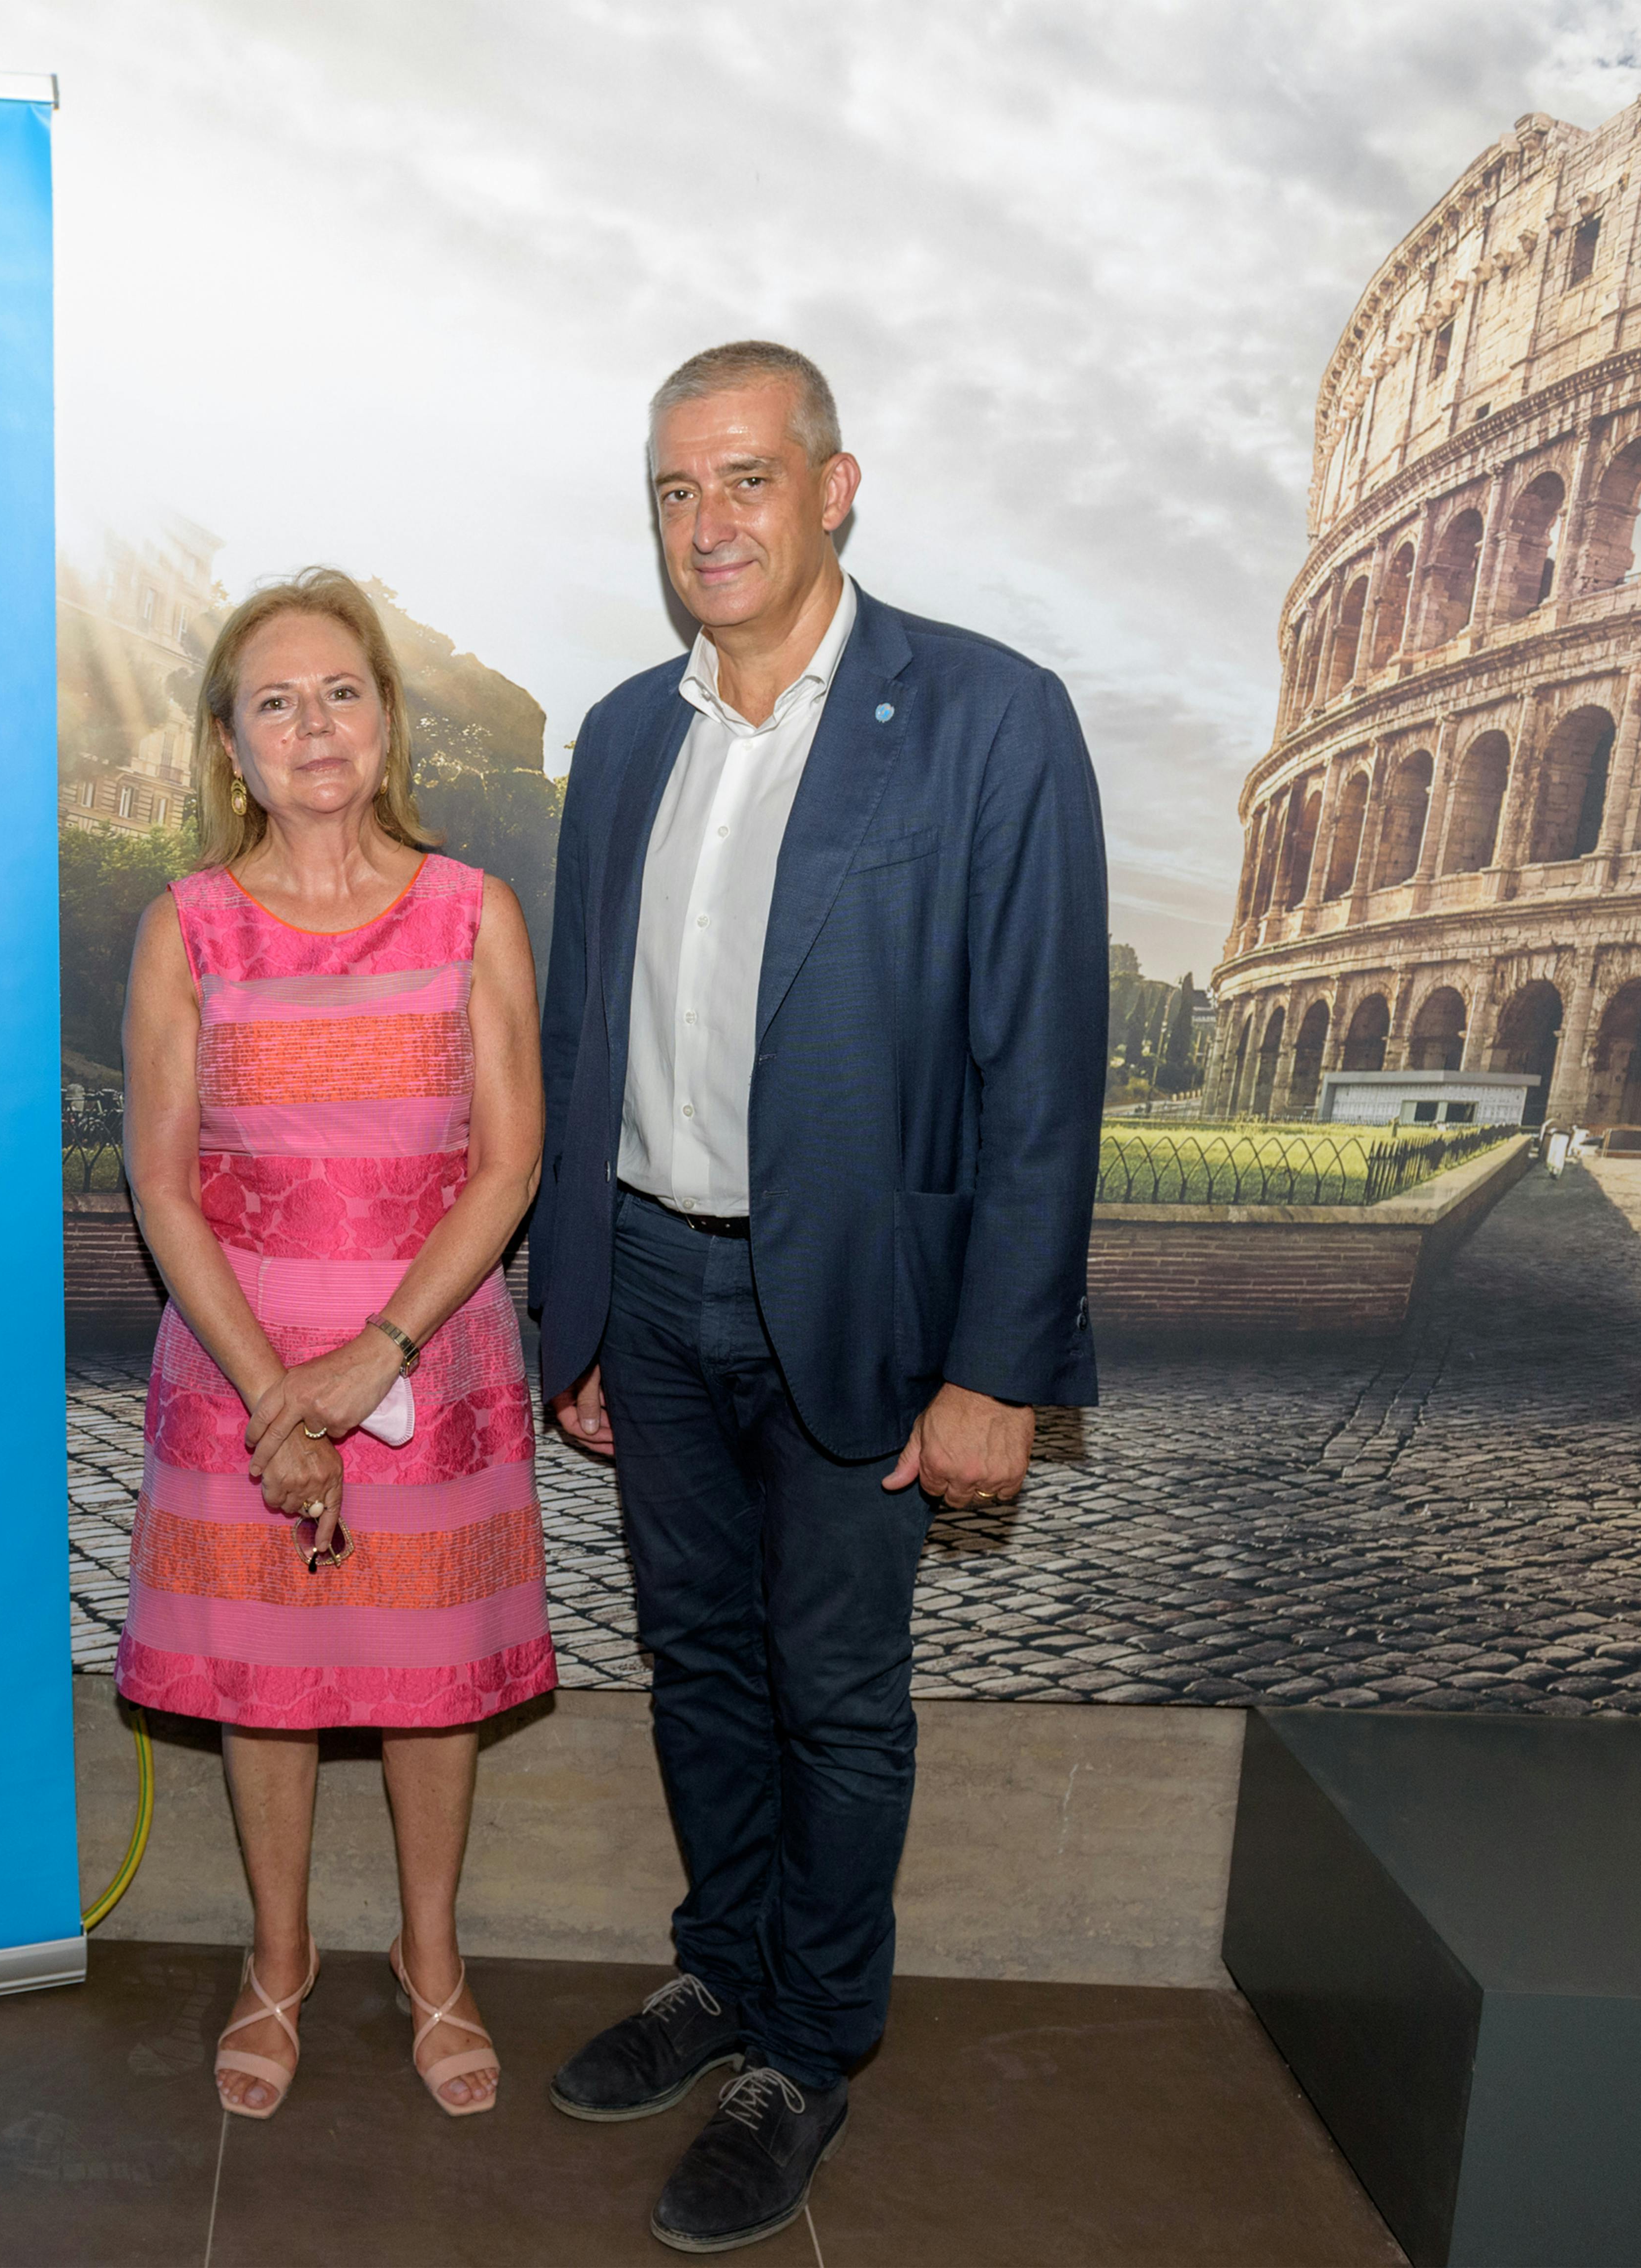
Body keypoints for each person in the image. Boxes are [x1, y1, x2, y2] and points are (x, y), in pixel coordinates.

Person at [533, 345, 1105, 2254]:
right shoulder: (621, 735)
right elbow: (577, 1029)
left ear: (832, 486)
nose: (708, 522)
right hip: (656, 1290)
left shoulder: (984, 717)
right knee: (700, 1665)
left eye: (746, 481)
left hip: (860, 1319)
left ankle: (804, 2050)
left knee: (836, 1699)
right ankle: (720, 1969)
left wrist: (993, 1371)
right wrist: (582, 1305)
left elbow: (1040, 1072)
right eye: (675, 489)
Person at [112, 569, 554, 2123]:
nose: (314, 726)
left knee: (431, 1685)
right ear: (232, 745)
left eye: (342, 692)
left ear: (386, 720)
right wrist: (273, 1396)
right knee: (269, 1685)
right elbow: (161, 1183)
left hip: (428, 1366)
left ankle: (434, 1962)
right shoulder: (191, 927)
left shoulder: (473, 911)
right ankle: (277, 1964)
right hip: (239, 1365)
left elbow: (510, 1164)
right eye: (276, 702)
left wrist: (375, 1352)